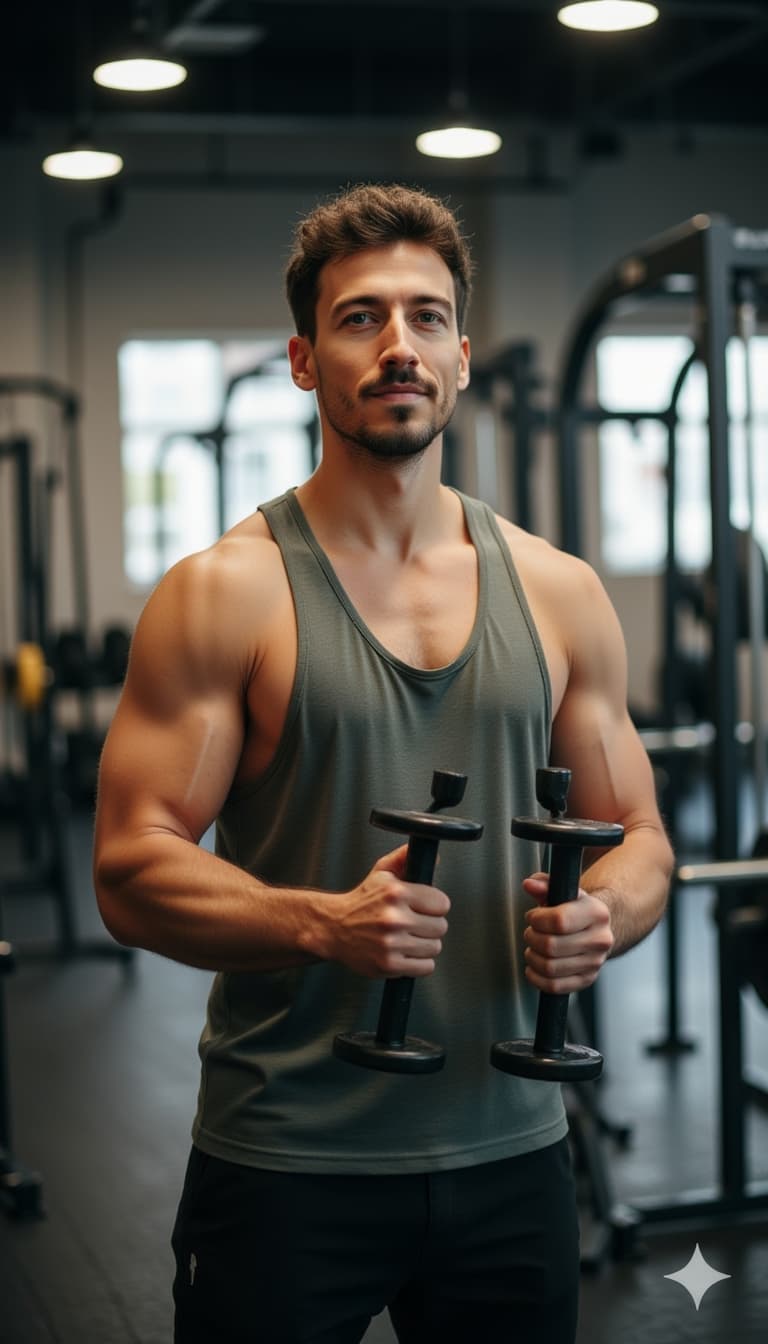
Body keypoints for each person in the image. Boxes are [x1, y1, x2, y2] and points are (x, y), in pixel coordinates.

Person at [93, 182, 673, 1344]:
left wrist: (601, 916)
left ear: (461, 353)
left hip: (516, 1154)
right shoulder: (225, 593)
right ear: (306, 360)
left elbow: (644, 841)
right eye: (361, 319)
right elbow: (130, 867)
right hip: (288, 1158)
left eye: (424, 317)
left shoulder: (559, 592)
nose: (397, 345)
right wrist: (323, 925)